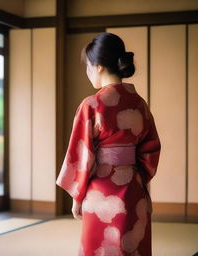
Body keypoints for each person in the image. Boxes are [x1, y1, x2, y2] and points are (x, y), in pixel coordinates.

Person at [56, 32, 161, 256]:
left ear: (99, 67)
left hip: (100, 195)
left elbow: (81, 154)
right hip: (134, 191)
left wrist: (77, 197)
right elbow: (151, 149)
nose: (87, 73)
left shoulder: (92, 104)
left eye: (88, 67)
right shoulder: (139, 104)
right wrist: (137, 178)